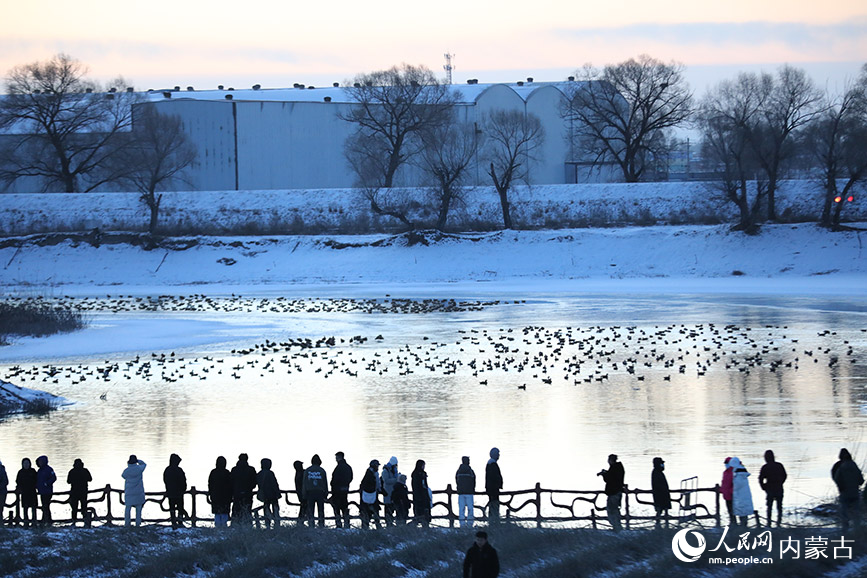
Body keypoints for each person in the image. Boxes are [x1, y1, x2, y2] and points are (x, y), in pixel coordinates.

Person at [832, 448, 864, 532]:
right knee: (856, 513)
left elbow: (836, 479)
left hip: (844, 494)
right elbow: (861, 481)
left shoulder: (840, 467)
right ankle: (857, 530)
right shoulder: (855, 466)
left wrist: (841, 488)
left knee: (844, 514)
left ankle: (845, 531)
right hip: (855, 494)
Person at [758, 449, 787, 527]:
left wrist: (763, 487)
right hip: (779, 488)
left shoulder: (765, 467)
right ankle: (779, 522)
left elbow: (760, 479)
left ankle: (769, 523)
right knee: (779, 506)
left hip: (769, 488)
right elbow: (785, 475)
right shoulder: (779, 465)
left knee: (769, 507)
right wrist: (781, 482)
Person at [599, 453, 625, 531]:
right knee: (615, 510)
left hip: (614, 493)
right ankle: (617, 527)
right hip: (617, 492)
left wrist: (604, 474)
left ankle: (616, 527)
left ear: (610, 460)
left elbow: (610, 479)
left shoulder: (614, 468)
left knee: (612, 510)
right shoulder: (618, 468)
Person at [230, 453, 257, 526]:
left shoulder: (234, 470)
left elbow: (230, 482)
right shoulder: (251, 469)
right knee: (247, 511)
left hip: (237, 494)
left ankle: (235, 526)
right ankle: (247, 527)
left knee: (236, 512)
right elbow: (254, 482)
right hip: (248, 494)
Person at [208, 456, 233, 528]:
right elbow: (231, 485)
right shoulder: (227, 473)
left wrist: (210, 493)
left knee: (217, 513)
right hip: (226, 497)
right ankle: (224, 526)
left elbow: (210, 484)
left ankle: (217, 527)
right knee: (224, 513)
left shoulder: (213, 472)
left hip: (215, 496)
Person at [303, 454, 328, 527]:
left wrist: (304, 494)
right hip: (320, 492)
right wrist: (326, 493)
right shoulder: (322, 471)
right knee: (321, 510)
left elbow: (304, 483)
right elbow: (325, 482)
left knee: (310, 510)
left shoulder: (307, 470)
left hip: (310, 493)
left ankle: (311, 525)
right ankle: (321, 525)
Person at [163, 453, 187, 529]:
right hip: (179, 493)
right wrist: (183, 489)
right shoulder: (179, 470)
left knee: (172, 508)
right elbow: (183, 481)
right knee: (180, 507)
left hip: (170, 493)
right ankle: (180, 521)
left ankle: (173, 521)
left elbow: (165, 480)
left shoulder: (167, 470)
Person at [122, 455, 147, 527]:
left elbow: (123, 476)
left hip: (129, 492)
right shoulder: (139, 469)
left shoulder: (126, 471)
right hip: (138, 492)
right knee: (138, 508)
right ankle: (138, 523)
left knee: (128, 508)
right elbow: (144, 464)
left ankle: (127, 523)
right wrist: (138, 461)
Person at [257, 458, 281, 529]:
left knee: (266, 509)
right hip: (272, 495)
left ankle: (267, 524)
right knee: (275, 510)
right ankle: (276, 524)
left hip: (264, 495)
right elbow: (274, 484)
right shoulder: (270, 473)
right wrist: (278, 493)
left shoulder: (259, 474)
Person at [67, 458, 92, 526]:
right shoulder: (85, 471)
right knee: (84, 506)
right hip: (83, 491)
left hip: (74, 491)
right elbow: (90, 479)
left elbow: (68, 481)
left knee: (74, 508)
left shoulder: (72, 471)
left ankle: (74, 521)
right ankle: (85, 520)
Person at [331, 452, 353, 528]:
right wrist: (346, 484)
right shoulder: (348, 467)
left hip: (337, 491)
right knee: (344, 507)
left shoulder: (338, 468)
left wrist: (333, 486)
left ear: (339, 457)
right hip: (345, 489)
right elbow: (351, 478)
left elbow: (334, 480)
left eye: (336, 457)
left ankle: (339, 524)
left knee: (337, 508)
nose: (336, 459)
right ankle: (347, 524)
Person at [729, 457, 754, 526]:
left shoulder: (738, 474)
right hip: (745, 496)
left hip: (739, 497)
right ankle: (744, 524)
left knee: (741, 512)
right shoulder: (743, 473)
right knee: (744, 513)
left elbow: (736, 486)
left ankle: (743, 526)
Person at [359, 459, 382, 529]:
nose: (378, 467)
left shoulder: (372, 473)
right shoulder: (370, 474)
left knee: (370, 513)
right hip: (369, 496)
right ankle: (371, 527)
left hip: (370, 496)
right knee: (371, 512)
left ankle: (367, 526)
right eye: (377, 466)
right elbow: (370, 485)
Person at [16, 458, 37, 527]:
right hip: (24, 492)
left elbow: (37, 480)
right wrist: (19, 489)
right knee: (25, 508)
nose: (26, 465)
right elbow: (18, 481)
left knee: (34, 508)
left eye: (27, 463)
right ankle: (26, 522)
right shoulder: (20, 472)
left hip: (32, 491)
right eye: (24, 463)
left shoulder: (33, 471)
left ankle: (34, 522)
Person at [35, 455, 56, 526]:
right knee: (44, 505)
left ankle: (47, 520)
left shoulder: (49, 469)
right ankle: (45, 519)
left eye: (41, 462)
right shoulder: (39, 470)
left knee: (46, 505)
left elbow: (54, 478)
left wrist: (47, 483)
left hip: (47, 491)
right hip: (41, 491)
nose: (40, 463)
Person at [456, 456, 476, 528]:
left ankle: (462, 524)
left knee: (461, 509)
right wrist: (473, 489)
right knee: (470, 508)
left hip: (461, 492)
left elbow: (456, 480)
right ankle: (470, 524)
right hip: (469, 492)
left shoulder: (459, 471)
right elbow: (474, 481)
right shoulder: (470, 471)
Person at [651, 457, 670, 529]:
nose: (663, 465)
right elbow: (658, 485)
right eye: (661, 464)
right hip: (660, 496)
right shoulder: (656, 472)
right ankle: (658, 525)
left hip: (662, 495)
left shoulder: (658, 472)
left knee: (663, 510)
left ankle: (663, 525)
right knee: (660, 510)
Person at [411, 459, 431, 527]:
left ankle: (426, 524)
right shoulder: (415, 474)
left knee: (426, 510)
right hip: (418, 495)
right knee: (418, 511)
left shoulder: (423, 473)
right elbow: (415, 486)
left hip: (424, 495)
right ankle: (417, 524)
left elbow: (425, 484)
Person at [485, 448, 503, 523]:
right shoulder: (492, 464)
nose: (499, 455)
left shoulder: (491, 463)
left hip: (491, 488)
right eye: (498, 454)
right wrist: (498, 484)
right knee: (494, 504)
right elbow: (494, 477)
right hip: (493, 489)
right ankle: (494, 520)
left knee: (493, 504)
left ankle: (493, 519)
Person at [380, 456, 399, 527]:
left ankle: (391, 522)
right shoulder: (385, 471)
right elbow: (386, 480)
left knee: (392, 507)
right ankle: (388, 523)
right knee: (388, 508)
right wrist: (396, 480)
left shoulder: (394, 470)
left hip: (393, 492)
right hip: (387, 492)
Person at [720, 457, 735, 525]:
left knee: (735, 511)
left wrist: (731, 492)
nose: (726, 465)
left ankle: (736, 525)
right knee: (730, 511)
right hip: (726, 495)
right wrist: (722, 490)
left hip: (732, 496)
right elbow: (724, 483)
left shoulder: (734, 472)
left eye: (727, 463)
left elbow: (735, 484)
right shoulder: (725, 472)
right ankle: (732, 523)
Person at [293, 460, 306, 525]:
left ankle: (300, 522)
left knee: (303, 509)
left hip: (301, 495)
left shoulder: (298, 473)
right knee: (305, 509)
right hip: (304, 495)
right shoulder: (303, 473)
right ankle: (301, 522)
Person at [0, 458, 7, 526]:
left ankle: (1, 524)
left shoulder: (1, 469)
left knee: (0, 509)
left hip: (1, 492)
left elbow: (5, 481)